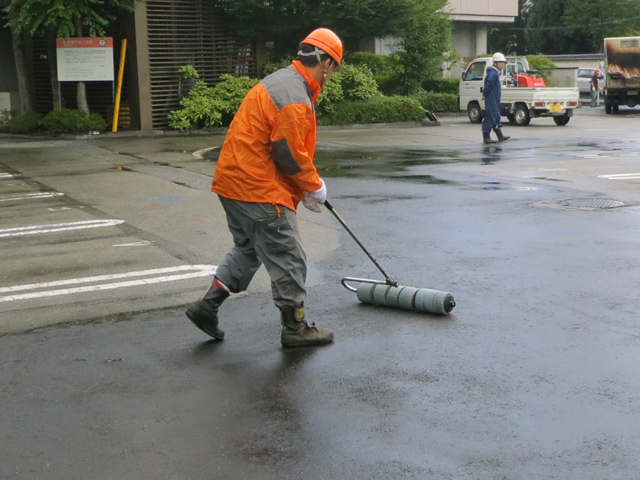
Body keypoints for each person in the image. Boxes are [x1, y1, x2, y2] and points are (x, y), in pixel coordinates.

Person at [186, 28, 344, 348]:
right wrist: (314, 186)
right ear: (325, 62)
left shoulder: (282, 82)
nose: (333, 75)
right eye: (335, 68)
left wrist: (304, 188)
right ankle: (295, 328)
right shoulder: (294, 95)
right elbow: (287, 152)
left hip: (232, 183)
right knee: (289, 256)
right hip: (258, 188)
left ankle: (207, 307)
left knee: (248, 249)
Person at [482, 52, 510, 144]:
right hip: (491, 99)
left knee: (496, 117)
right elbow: (488, 84)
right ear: (495, 63)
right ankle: (486, 137)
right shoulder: (493, 74)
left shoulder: (494, 73)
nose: (503, 64)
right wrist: (485, 94)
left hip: (495, 99)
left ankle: (500, 136)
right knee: (491, 117)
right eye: (501, 62)